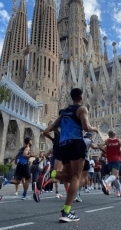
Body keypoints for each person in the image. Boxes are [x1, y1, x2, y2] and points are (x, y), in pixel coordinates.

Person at [35, 88, 98, 222]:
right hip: (76, 143)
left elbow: (46, 131)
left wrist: (54, 141)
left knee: (69, 176)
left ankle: (51, 174)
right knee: (76, 177)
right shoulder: (81, 109)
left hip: (63, 146)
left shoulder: (63, 113)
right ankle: (66, 212)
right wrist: (94, 129)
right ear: (80, 97)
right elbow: (86, 128)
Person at [99, 130, 121, 200]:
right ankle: (105, 182)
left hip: (109, 160)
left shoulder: (107, 141)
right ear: (115, 134)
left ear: (109, 135)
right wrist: (120, 153)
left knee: (116, 177)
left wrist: (105, 151)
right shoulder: (118, 140)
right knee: (114, 175)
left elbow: (99, 145)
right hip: (117, 159)